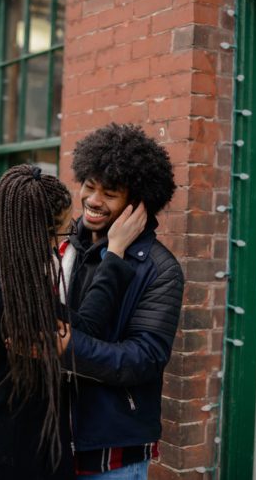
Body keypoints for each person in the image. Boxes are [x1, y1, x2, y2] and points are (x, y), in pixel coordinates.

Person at [0, 164, 145, 479]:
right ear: (33, 235)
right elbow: (85, 327)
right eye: (62, 232)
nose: (63, 242)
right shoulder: (5, 301)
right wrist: (114, 252)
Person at [62, 123, 184, 479]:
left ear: (137, 203)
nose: (94, 200)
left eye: (110, 193)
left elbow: (144, 359)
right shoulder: (65, 247)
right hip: (51, 439)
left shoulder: (160, 269)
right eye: (89, 186)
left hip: (112, 446)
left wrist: (67, 347)